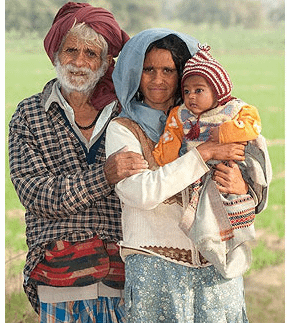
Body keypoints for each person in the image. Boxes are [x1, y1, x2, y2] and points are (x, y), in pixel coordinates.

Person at [105, 28, 270, 322]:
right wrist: (203, 154)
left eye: (168, 70)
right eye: (148, 70)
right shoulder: (123, 129)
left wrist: (241, 186)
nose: (158, 80)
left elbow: (255, 175)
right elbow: (140, 193)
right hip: (154, 270)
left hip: (217, 265)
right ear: (133, 74)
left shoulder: (218, 118)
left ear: (183, 75)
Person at [8, 2, 148, 322]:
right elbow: (37, 194)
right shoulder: (29, 115)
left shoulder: (127, 113)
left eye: (91, 53)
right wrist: (105, 175)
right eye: (71, 50)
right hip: (57, 276)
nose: (79, 62)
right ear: (56, 53)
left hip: (124, 276)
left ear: (105, 62)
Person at [152, 45, 270, 278]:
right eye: (186, 91)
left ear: (217, 92)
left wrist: (225, 134)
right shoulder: (180, 115)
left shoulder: (234, 109)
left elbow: (253, 125)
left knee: (233, 204)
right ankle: (212, 245)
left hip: (230, 169)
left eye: (199, 90)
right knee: (206, 213)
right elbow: (170, 139)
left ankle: (235, 246)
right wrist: (162, 158)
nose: (191, 97)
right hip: (198, 171)